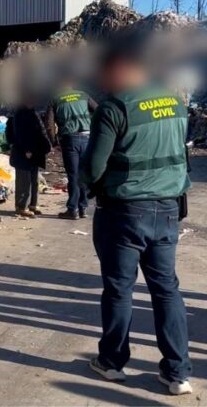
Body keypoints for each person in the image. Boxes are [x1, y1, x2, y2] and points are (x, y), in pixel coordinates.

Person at [80, 38, 192, 395]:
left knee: (118, 289)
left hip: (125, 211)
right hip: (169, 207)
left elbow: (93, 167)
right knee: (166, 289)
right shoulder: (175, 101)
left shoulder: (114, 107)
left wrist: (85, 181)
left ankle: (112, 363)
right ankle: (177, 374)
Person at [46, 82, 97, 219]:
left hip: (70, 139)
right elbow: (98, 110)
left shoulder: (55, 99)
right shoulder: (83, 95)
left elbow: (49, 124)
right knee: (83, 173)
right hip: (87, 137)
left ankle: (72, 209)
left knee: (73, 175)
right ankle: (83, 208)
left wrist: (54, 142)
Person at [6, 96, 51, 217]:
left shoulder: (31, 113)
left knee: (33, 180)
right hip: (24, 153)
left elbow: (40, 131)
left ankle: (32, 204)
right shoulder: (19, 114)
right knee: (24, 181)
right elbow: (19, 134)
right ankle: (21, 207)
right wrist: (27, 149)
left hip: (34, 152)